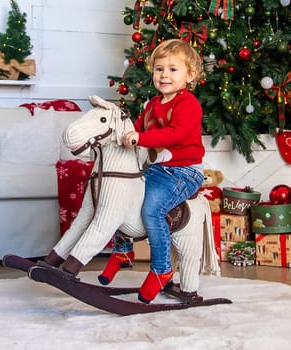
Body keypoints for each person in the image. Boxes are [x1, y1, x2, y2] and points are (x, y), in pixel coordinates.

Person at [98, 38, 205, 303]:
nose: (164, 75)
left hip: (183, 171)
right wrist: (116, 135)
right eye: (159, 69)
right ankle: (123, 251)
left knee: (151, 209)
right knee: (120, 197)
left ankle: (161, 270)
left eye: (173, 69)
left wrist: (140, 138)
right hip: (158, 169)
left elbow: (174, 134)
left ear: (189, 75)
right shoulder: (151, 105)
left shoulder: (187, 104)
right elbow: (134, 128)